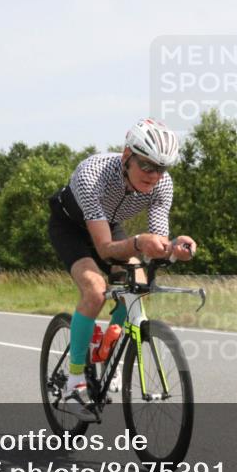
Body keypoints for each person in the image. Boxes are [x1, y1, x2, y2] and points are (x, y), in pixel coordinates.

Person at [47, 119, 197, 420]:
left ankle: (109, 347)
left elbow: (158, 239)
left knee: (138, 285)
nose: (155, 176)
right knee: (95, 290)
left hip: (111, 227)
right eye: (148, 167)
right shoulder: (93, 174)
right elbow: (104, 249)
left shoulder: (162, 185)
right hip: (71, 228)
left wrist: (174, 248)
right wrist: (141, 242)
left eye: (162, 169)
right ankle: (74, 384)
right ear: (127, 154)